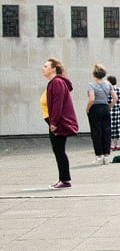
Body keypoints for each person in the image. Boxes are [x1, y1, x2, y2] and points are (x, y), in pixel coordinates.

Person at [42, 58, 79, 189]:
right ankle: (63, 179)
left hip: (58, 123)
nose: (43, 68)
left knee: (59, 151)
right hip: (56, 122)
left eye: (45, 66)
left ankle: (65, 180)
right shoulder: (55, 82)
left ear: (53, 68)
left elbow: (57, 104)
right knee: (59, 151)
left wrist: (54, 122)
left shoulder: (57, 82)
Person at [86, 63, 117, 165]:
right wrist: (109, 106)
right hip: (105, 108)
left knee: (96, 132)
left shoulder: (91, 85)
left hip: (95, 109)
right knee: (106, 132)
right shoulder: (108, 85)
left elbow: (92, 99)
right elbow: (115, 98)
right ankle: (106, 156)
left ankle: (99, 156)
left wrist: (87, 108)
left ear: (94, 74)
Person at [107, 75, 120, 151]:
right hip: (118, 111)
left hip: (110, 111)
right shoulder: (119, 90)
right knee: (118, 128)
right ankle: (118, 145)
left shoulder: (108, 90)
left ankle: (111, 145)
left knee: (110, 128)